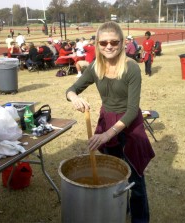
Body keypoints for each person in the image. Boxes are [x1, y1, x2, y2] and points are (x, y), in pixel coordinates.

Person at [65, 21, 155, 223]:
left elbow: (132, 110)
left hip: (129, 125)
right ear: (97, 43)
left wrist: (107, 134)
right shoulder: (95, 67)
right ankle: (117, 211)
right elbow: (70, 90)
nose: (108, 46)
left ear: (122, 42)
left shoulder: (131, 68)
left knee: (136, 181)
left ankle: (140, 219)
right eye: (103, 42)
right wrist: (74, 98)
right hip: (107, 120)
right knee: (114, 175)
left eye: (114, 41)